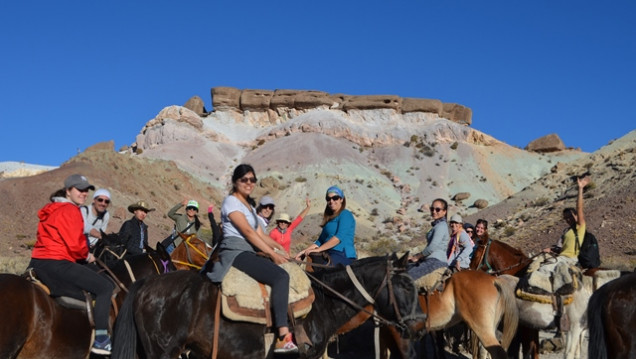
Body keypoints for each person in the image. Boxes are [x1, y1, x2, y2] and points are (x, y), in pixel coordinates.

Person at [206, 164, 297, 353]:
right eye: (244, 179)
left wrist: (280, 249)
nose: (249, 183)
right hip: (235, 251)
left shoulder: (249, 206)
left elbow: (260, 235)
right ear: (235, 182)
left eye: (252, 180)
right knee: (281, 277)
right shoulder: (231, 201)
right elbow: (248, 233)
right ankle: (282, 336)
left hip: (248, 250)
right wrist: (272, 255)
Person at [28, 174, 115, 355]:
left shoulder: (51, 208)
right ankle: (100, 339)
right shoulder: (71, 210)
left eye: (85, 190)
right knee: (105, 287)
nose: (83, 194)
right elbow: (75, 246)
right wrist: (87, 255)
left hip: (37, 262)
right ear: (68, 191)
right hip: (57, 263)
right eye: (79, 189)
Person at [295, 186, 357, 266]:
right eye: (328, 199)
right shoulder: (329, 219)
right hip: (328, 252)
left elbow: (338, 238)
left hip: (342, 253)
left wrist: (319, 250)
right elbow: (320, 241)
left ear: (341, 199)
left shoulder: (345, 214)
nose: (331, 201)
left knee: (323, 272)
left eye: (335, 198)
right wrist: (303, 252)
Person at [545, 175, 591, 261]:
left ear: (577, 215)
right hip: (562, 258)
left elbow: (579, 207)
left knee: (544, 268)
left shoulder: (580, 226)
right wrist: (551, 250)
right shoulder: (567, 231)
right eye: (566, 218)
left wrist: (580, 189)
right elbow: (563, 250)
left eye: (570, 216)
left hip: (570, 259)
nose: (568, 219)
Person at [407, 198, 450, 280]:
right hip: (431, 259)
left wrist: (417, 256)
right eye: (432, 209)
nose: (434, 211)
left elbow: (432, 247)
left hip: (436, 261)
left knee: (407, 277)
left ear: (444, 212)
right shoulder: (438, 225)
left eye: (437, 209)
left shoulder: (441, 226)